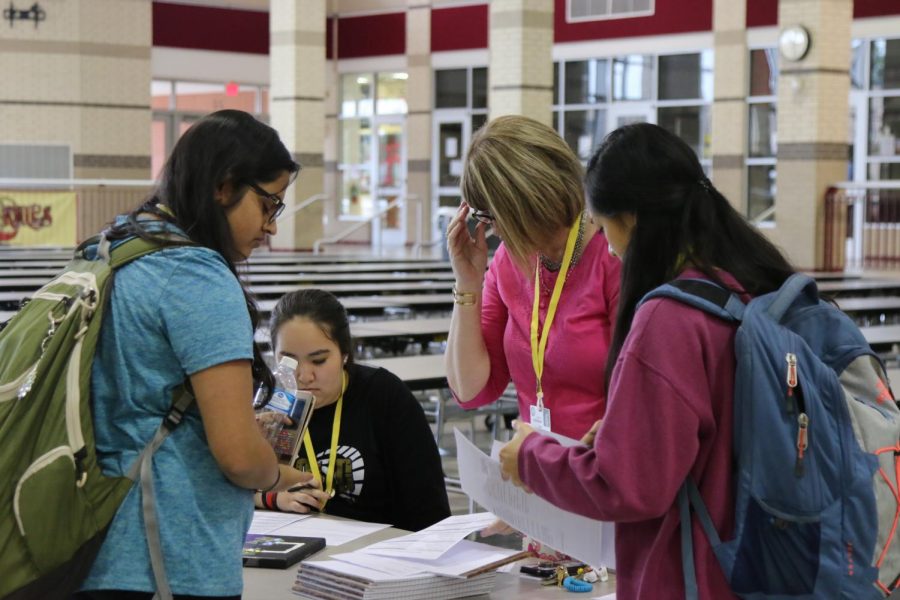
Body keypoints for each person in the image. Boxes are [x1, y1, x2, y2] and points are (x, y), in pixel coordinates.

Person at [498, 122, 796, 599]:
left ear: (631, 218)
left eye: (602, 223)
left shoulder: (670, 317)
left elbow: (628, 486)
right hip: (767, 558)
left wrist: (530, 458)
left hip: (698, 571)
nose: (608, 245)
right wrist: (625, 432)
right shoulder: (752, 283)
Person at [76, 110, 317, 600]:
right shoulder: (197, 275)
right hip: (169, 554)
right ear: (223, 187)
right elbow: (236, 454)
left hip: (88, 540)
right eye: (269, 204)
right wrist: (277, 474)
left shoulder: (112, 249)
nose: (271, 227)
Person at [445, 115, 620, 443]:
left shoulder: (612, 258)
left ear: (524, 206)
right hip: (540, 471)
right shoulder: (508, 262)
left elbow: (639, 398)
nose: (492, 230)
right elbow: (470, 391)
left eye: (491, 216)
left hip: (601, 469)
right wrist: (468, 284)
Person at [254, 289, 451, 532]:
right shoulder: (261, 404)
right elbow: (218, 492)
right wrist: (269, 498)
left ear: (345, 353)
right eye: (289, 361)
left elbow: (429, 509)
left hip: (376, 555)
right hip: (288, 547)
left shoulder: (383, 397)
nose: (304, 376)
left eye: (319, 360)